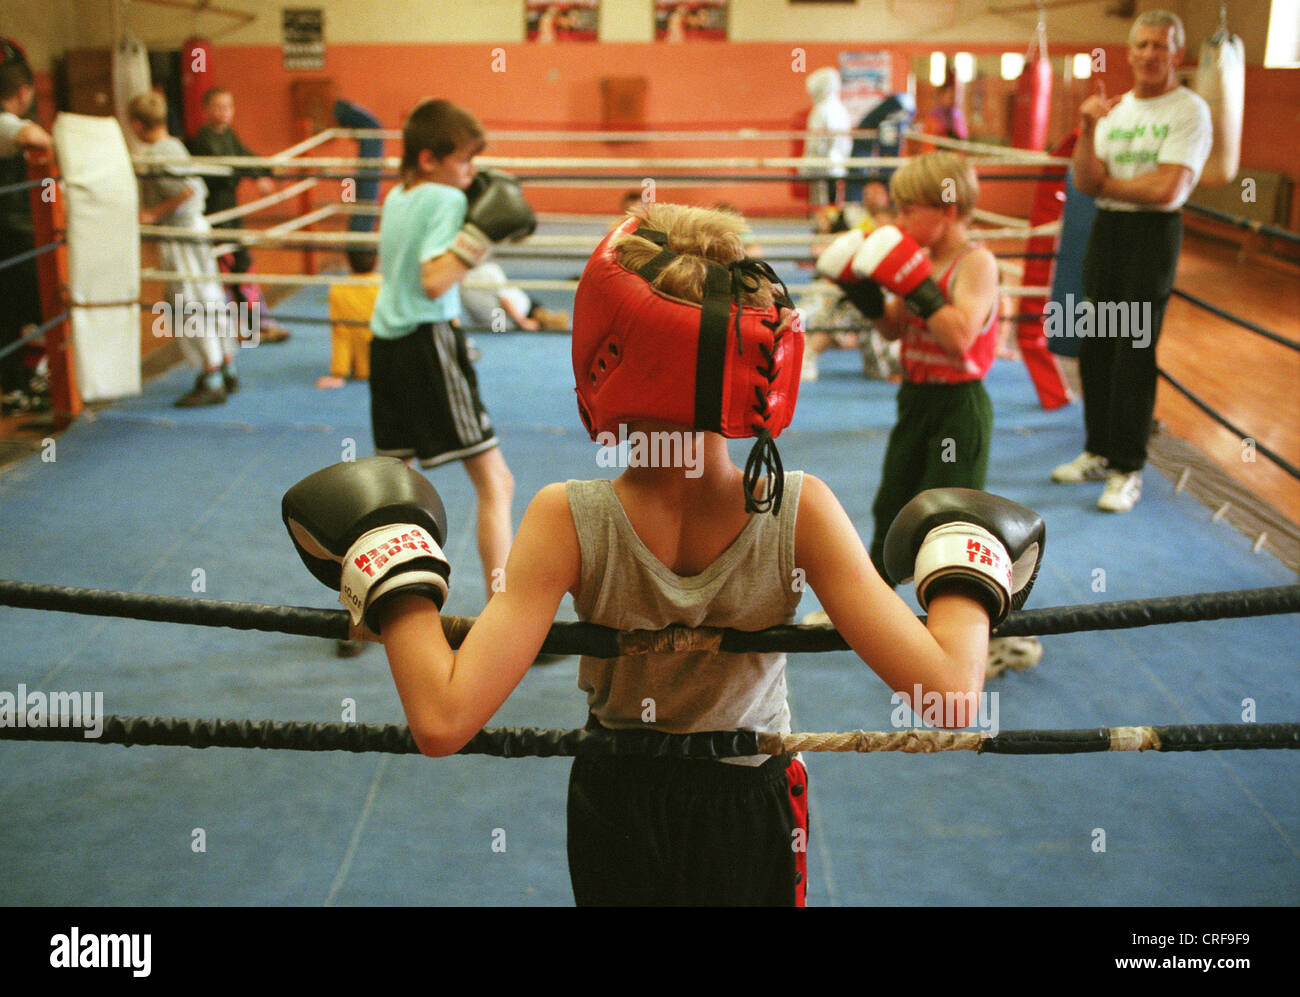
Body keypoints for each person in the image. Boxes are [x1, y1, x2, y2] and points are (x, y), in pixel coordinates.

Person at [281, 203, 1047, 906]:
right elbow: (952, 694)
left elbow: (442, 720)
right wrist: (963, 572)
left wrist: (396, 574)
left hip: (618, 800)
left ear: (609, 351)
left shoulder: (566, 519)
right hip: (751, 803)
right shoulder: (797, 508)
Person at [816, 153, 1037, 676]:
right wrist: (867, 293)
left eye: (907, 210)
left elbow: (961, 337)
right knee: (892, 504)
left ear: (948, 207)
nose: (897, 222)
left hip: (959, 406)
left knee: (954, 528)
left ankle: (988, 638)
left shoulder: (976, 262)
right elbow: (896, 330)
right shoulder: (920, 257)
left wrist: (916, 284)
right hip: (915, 399)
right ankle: (862, 613)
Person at [367, 98, 533, 601]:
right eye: (463, 160)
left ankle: (365, 614)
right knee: (496, 483)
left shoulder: (398, 195)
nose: (472, 171)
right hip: (429, 346)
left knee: (394, 493)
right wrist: (478, 235)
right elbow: (436, 281)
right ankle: (504, 616)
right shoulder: (444, 200)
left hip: (385, 348)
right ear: (428, 159)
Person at [1053, 9, 1212, 512]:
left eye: (1160, 46)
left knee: (1132, 348)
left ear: (1176, 54)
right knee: (1097, 343)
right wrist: (1084, 124)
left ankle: (1128, 468)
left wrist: (1111, 186)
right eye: (1141, 45)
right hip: (1108, 232)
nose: (1149, 54)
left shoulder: (1189, 110)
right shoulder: (1114, 111)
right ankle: (1098, 450)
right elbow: (1084, 181)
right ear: (1130, 51)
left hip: (1150, 237)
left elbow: (1168, 190)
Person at [129, 91, 239, 407]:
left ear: (137, 124)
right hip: (196, 229)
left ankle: (212, 373)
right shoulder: (175, 144)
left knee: (189, 300)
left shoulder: (155, 154)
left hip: (181, 234)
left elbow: (190, 190)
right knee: (209, 295)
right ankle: (226, 365)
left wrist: (153, 213)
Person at [188, 87, 290, 344]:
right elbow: (227, 168)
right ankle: (243, 324)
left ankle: (256, 321)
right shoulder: (203, 139)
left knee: (242, 263)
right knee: (229, 265)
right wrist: (257, 177)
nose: (224, 113)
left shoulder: (229, 135)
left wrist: (268, 168)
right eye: (218, 107)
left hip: (230, 209)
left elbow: (243, 155)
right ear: (206, 110)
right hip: (215, 211)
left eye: (228, 107)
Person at [0, 41, 53, 415]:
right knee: (44, 305)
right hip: (14, 236)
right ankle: (27, 383)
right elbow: (34, 137)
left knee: (9, 314)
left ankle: (15, 386)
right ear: (23, 93)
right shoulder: (6, 124)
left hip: (12, 233)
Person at [317, 249, 378, 390]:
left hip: (363, 369)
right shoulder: (385, 285)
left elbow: (340, 333)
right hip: (387, 366)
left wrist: (338, 373)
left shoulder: (337, 288)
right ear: (377, 261)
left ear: (347, 262)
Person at [459, 261, 569, 332]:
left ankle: (546, 321)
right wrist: (522, 322)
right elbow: (505, 300)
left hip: (522, 308)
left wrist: (522, 322)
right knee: (503, 327)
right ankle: (546, 321)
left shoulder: (490, 270)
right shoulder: (490, 270)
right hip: (523, 306)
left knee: (503, 327)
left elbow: (505, 300)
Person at [802, 67, 852, 210]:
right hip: (837, 165)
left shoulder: (821, 111)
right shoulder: (841, 109)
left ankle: (823, 227)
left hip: (821, 166)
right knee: (833, 200)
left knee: (821, 202)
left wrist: (808, 162)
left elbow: (815, 142)